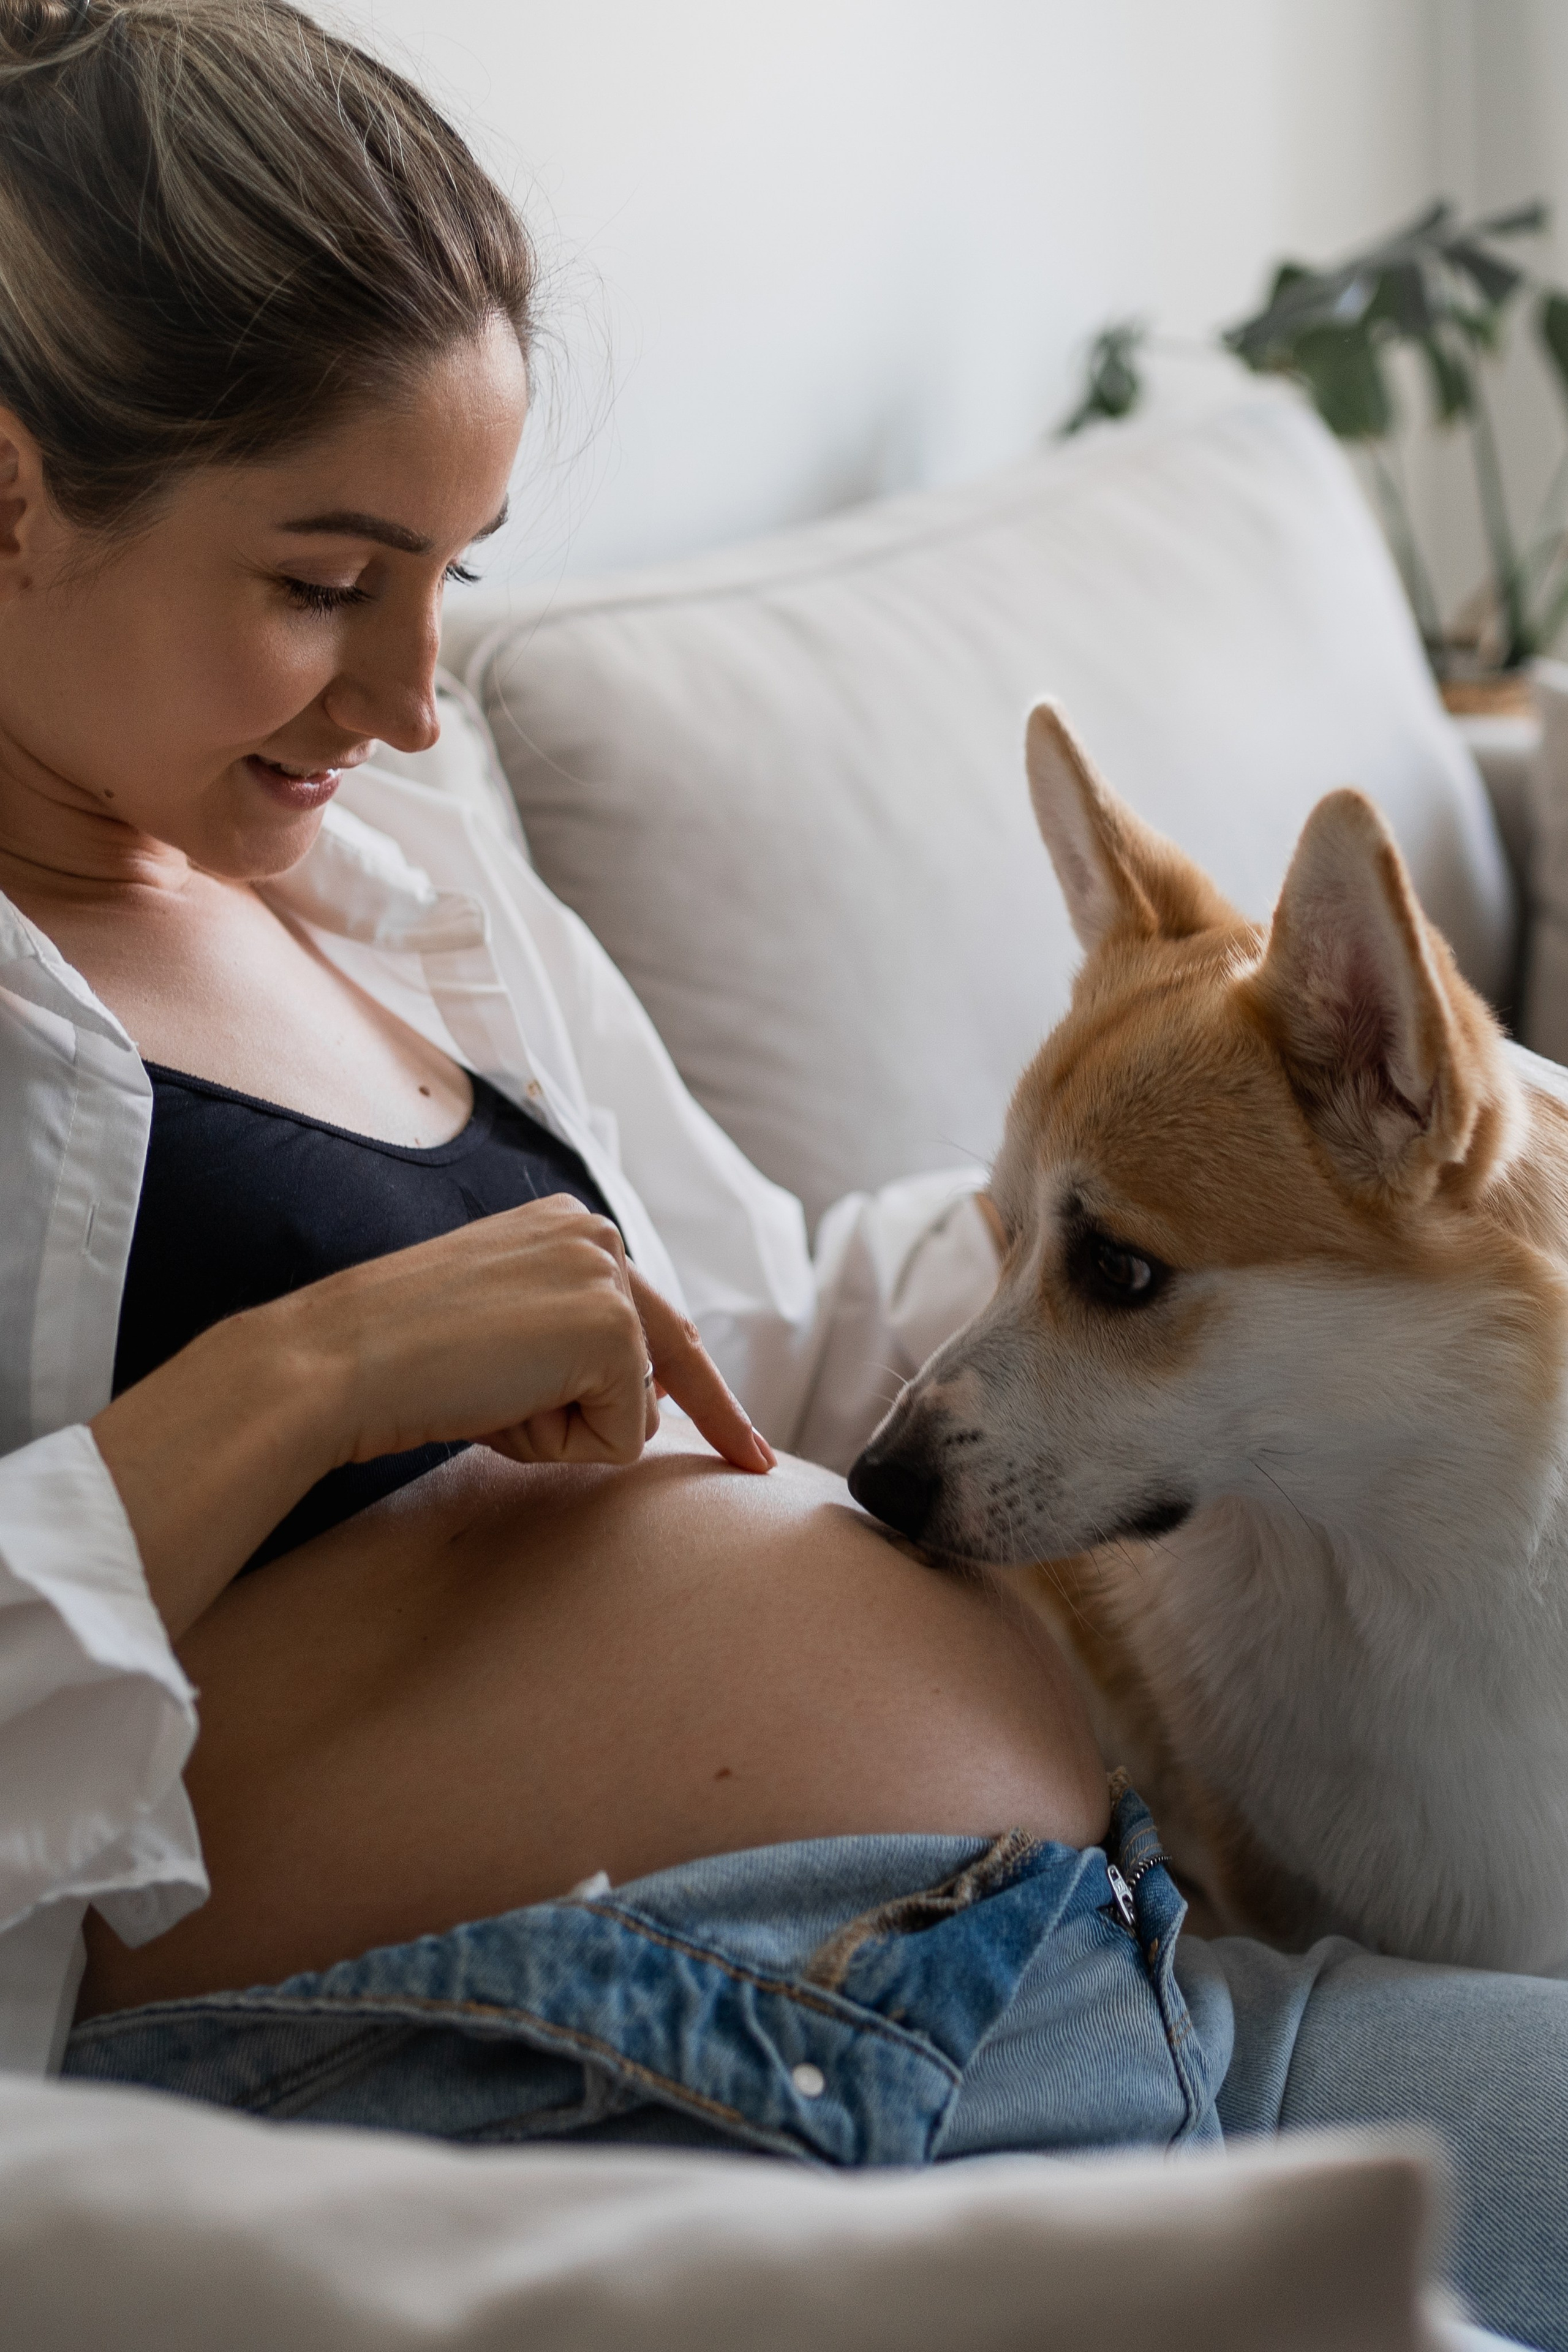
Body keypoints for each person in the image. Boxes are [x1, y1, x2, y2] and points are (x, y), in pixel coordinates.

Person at [0, 7, 1561, 2349]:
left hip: (1098, 1968)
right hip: (606, 2072)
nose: (424, 696)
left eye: (459, 574)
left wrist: (1312, 1179)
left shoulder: (388, 862)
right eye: (328, 582)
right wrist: (302, 1380)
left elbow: (784, 1326)